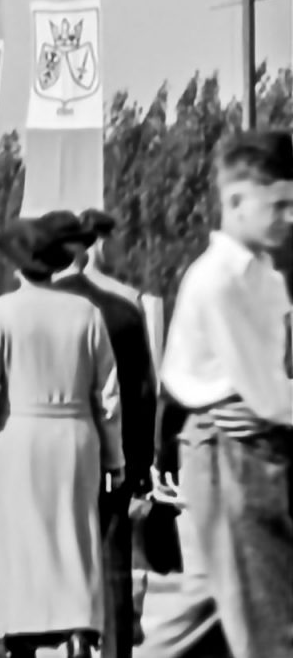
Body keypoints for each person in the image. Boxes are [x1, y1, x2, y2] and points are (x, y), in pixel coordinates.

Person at [143, 130, 293, 658]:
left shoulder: (266, 278)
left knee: (218, 606)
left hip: (255, 444)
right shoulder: (218, 281)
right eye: (276, 204)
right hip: (230, 448)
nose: (288, 217)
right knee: (268, 625)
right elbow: (265, 391)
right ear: (234, 201)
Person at [0, 214, 122, 658]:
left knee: (22, 538)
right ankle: (79, 628)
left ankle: (20, 629)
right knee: (77, 535)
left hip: (21, 436)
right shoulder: (87, 313)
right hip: (77, 435)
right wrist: (115, 456)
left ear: (17, 267)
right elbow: (108, 393)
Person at [53, 212, 158, 658]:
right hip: (109, 457)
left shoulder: (24, 308)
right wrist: (139, 469)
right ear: (88, 247)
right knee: (114, 561)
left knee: (49, 550)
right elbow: (141, 394)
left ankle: (50, 635)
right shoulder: (122, 308)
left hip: (50, 454)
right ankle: (114, 646)